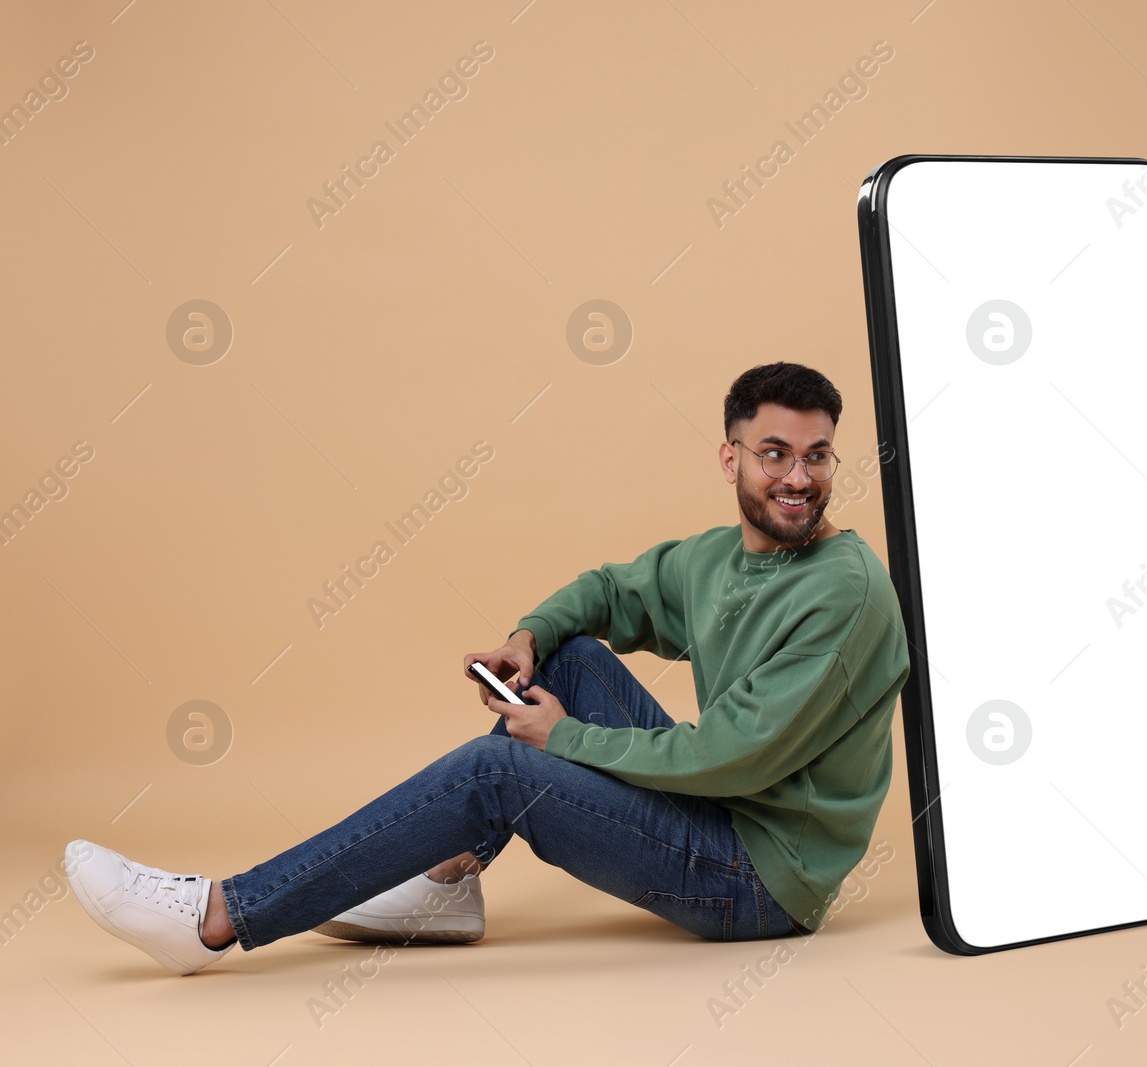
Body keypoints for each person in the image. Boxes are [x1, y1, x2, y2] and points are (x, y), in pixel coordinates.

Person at [65, 361, 911, 974]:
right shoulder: (720, 557)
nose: (800, 478)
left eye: (819, 456)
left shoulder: (843, 592)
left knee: (498, 769)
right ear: (731, 458)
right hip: (726, 813)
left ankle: (217, 916)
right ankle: (447, 884)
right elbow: (615, 592)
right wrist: (530, 636)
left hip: (761, 879)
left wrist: (566, 738)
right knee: (574, 656)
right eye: (776, 453)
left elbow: (739, 754)